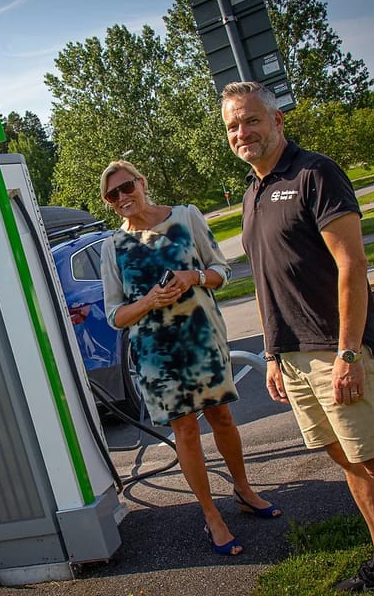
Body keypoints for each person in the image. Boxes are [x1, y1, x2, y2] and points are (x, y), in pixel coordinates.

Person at [220, 81, 374, 596]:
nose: (242, 132)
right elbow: (267, 280)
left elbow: (352, 264)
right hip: (293, 360)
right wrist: (273, 354)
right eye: (233, 125)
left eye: (252, 120)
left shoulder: (314, 172)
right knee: (347, 461)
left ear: (277, 121)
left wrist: (347, 353)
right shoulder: (253, 192)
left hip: (335, 352)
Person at [99, 160, 281, 557]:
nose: (123, 198)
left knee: (222, 417)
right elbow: (115, 316)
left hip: (201, 340)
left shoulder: (185, 217)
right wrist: (148, 301)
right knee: (184, 431)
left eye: (127, 187)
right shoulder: (112, 247)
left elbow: (222, 270)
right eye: (112, 195)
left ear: (142, 182)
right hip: (157, 355)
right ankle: (211, 514)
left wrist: (193, 277)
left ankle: (244, 489)